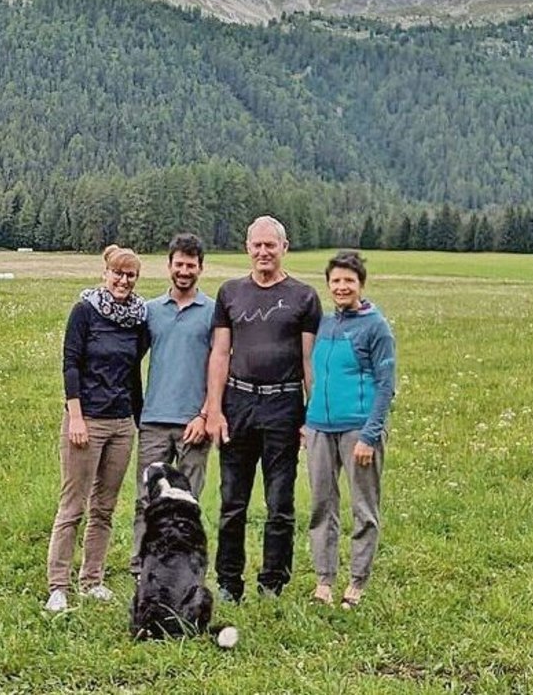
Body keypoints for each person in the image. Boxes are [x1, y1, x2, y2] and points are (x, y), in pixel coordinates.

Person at [202, 216, 322, 601]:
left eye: (271, 245)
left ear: (284, 248)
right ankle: (228, 582)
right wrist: (215, 410)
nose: (264, 252)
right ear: (247, 248)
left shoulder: (304, 297)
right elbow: (220, 353)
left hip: (283, 406)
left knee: (280, 503)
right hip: (238, 405)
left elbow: (309, 362)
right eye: (257, 245)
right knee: (232, 502)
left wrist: (311, 415)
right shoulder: (230, 293)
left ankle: (273, 582)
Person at [45, 244, 149, 613]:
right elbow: (70, 364)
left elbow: (133, 371)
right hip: (86, 420)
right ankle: (58, 585)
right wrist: (75, 415)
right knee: (72, 507)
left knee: (104, 508)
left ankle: (92, 579)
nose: (123, 280)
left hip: (122, 423)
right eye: (118, 273)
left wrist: (137, 419)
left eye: (130, 275)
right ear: (105, 273)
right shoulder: (84, 312)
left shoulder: (138, 319)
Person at [304, 250, 397, 610]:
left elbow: (386, 385)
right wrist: (307, 419)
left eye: (349, 281)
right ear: (328, 285)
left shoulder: (376, 327)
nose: (342, 287)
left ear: (361, 284)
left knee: (364, 508)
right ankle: (324, 580)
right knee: (320, 506)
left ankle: (357, 582)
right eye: (336, 281)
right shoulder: (326, 324)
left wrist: (370, 436)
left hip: (357, 431)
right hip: (318, 429)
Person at [129, 233, 214, 576]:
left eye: (190, 265)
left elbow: (220, 367)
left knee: (187, 502)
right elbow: (128, 358)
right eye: (178, 264)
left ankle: (183, 567)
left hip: (195, 422)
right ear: (169, 266)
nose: (184, 271)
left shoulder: (212, 313)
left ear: (200, 269)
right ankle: (141, 566)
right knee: (146, 500)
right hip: (153, 420)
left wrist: (206, 414)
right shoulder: (150, 312)